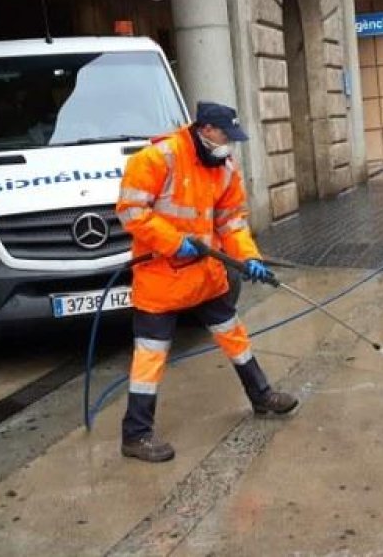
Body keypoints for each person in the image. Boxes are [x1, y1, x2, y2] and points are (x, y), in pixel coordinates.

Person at [114, 101, 299, 463]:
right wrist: (173, 242)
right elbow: (131, 211)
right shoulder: (157, 158)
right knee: (151, 355)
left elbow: (232, 221)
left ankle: (261, 396)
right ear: (206, 130)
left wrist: (249, 258)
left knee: (233, 332)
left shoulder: (225, 168)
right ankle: (135, 435)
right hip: (161, 276)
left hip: (205, 273)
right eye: (226, 137)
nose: (230, 144)